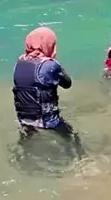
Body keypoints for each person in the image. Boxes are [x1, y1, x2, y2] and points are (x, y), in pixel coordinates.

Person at [12, 27, 84, 157]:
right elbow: (67, 84)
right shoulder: (50, 65)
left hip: (24, 119)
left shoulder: (19, 63)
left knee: (26, 144)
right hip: (47, 121)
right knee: (72, 136)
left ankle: (22, 158)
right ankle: (81, 160)